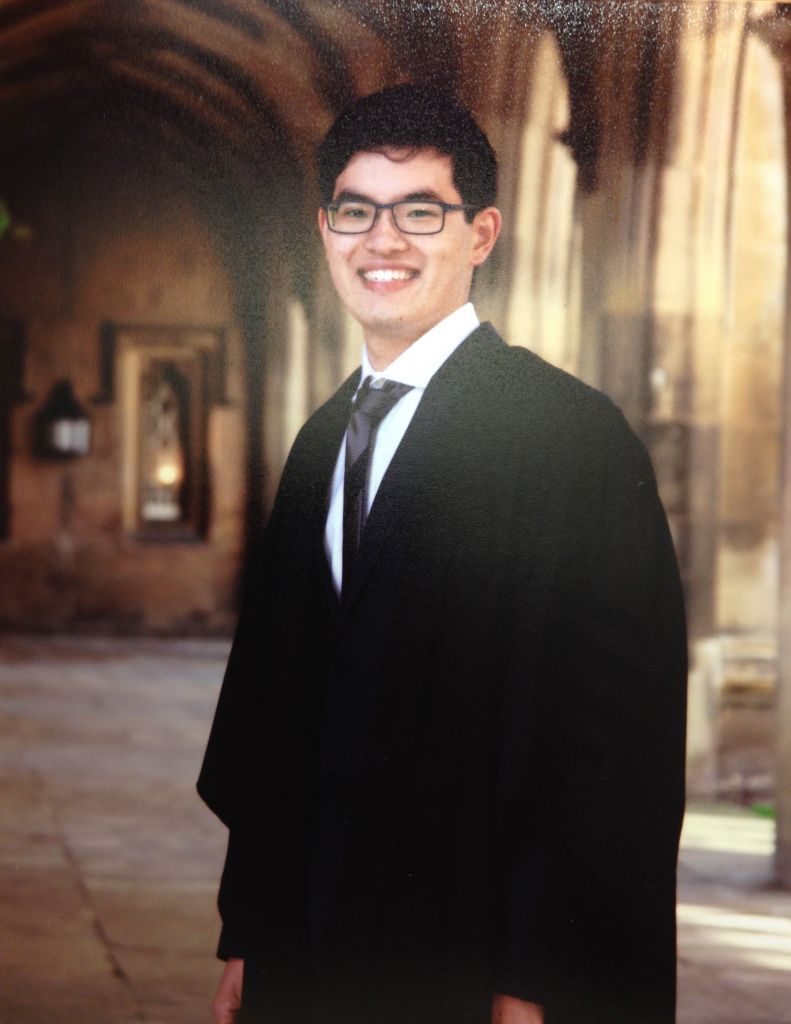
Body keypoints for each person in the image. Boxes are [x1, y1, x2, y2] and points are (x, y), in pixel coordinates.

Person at [198, 84, 687, 1024]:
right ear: (325, 229)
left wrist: (537, 975)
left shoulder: (566, 438)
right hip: (309, 948)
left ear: (482, 233)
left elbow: (612, 747)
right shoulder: (318, 441)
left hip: (471, 959)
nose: (382, 241)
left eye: (420, 211)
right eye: (356, 211)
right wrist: (248, 934)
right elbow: (276, 714)